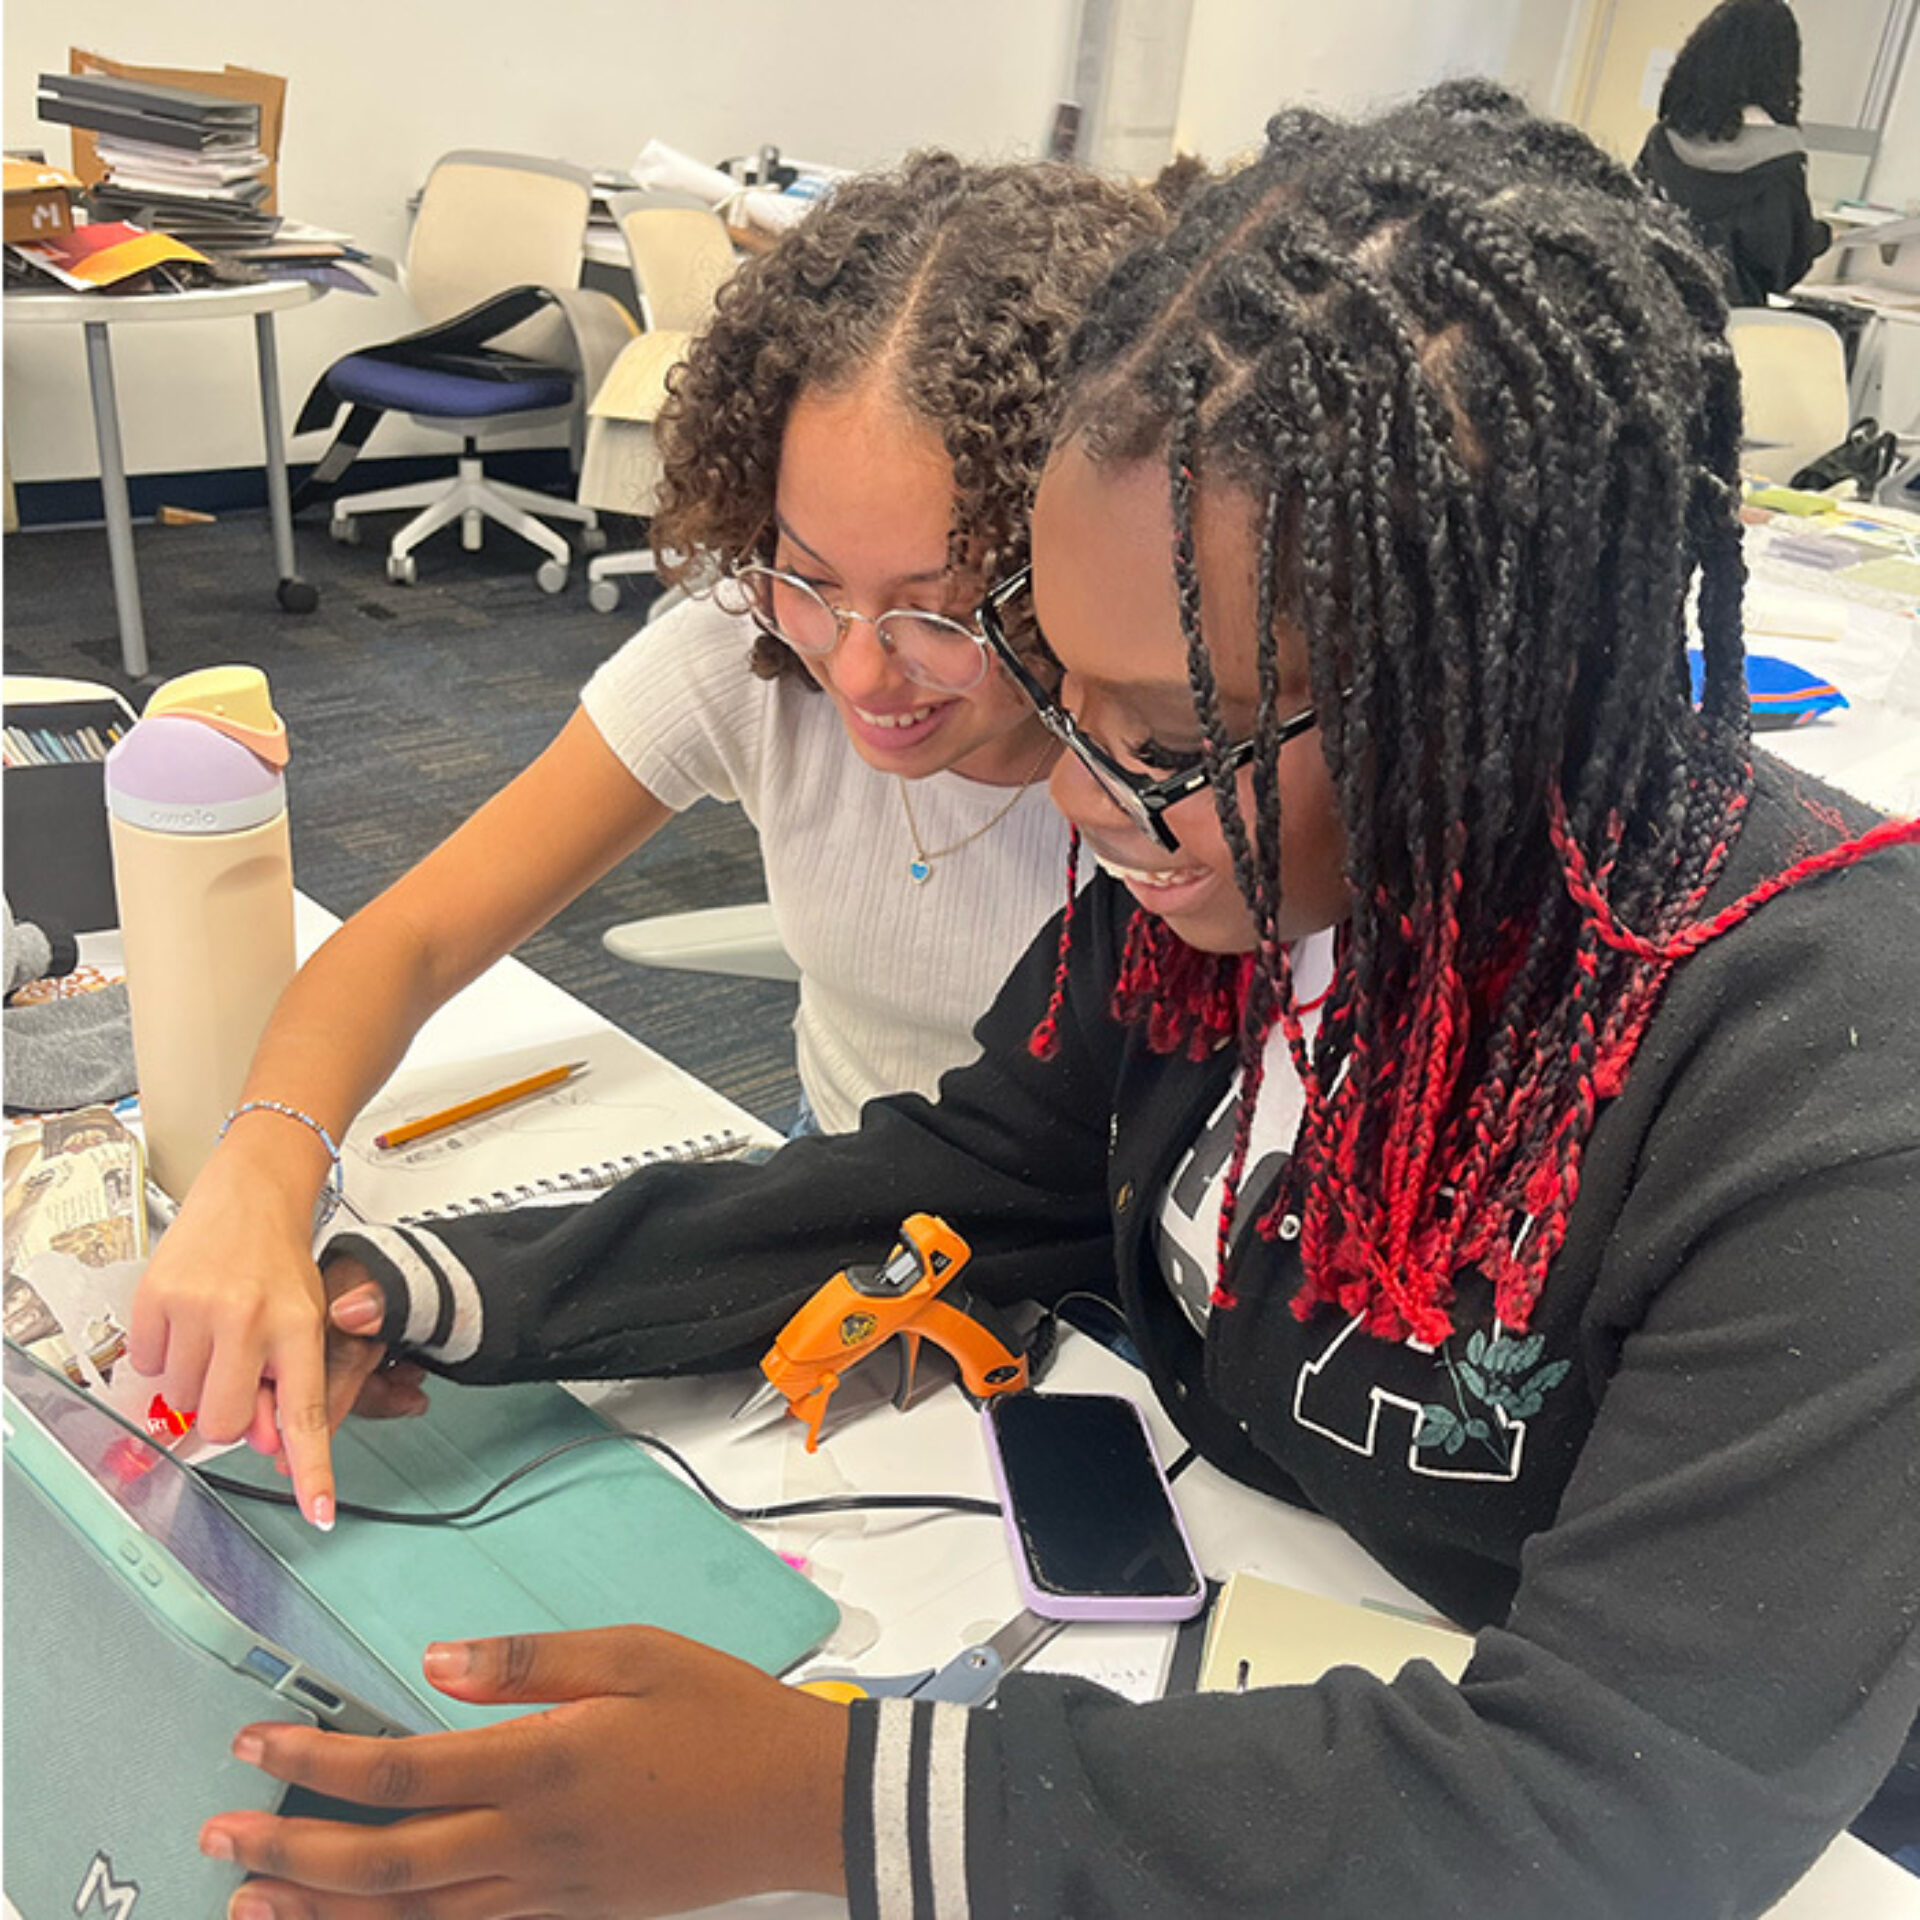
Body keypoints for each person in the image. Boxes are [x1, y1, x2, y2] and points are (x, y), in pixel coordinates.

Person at [201, 85, 1920, 1918]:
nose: (1083, 799)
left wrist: (847, 1803)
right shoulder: (1234, 885)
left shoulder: (1821, 1079)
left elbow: (1615, 1804)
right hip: (1275, 1660)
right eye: (1063, 688)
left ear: (1480, 689)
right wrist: (445, 1292)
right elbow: (967, 1180)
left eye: (1165, 737)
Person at [127, 154, 1167, 1533]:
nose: (862, 674)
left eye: (943, 608)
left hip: (1120, 1274)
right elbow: (418, 933)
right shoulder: (746, 652)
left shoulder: (1177, 791)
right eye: (810, 573)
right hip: (833, 1206)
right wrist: (263, 1171)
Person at [1636, 0, 1832, 303]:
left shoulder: (1662, 141)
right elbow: (1781, 266)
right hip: (1729, 328)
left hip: (1648, 317)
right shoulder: (1780, 159)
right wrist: (1817, 237)